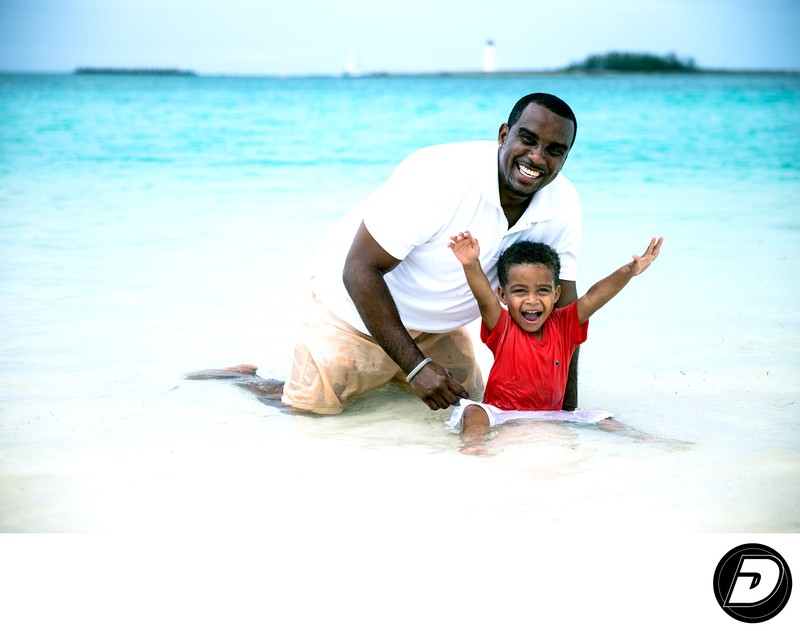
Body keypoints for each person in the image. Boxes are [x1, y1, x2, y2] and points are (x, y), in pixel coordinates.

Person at [192, 93, 583, 415]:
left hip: (438, 329)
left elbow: (566, 315)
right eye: (527, 139)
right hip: (352, 311)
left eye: (553, 150)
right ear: (503, 134)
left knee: (474, 413)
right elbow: (359, 268)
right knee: (308, 416)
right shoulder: (441, 175)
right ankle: (244, 377)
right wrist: (415, 368)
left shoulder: (563, 202)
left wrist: (567, 413)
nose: (536, 157)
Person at [446, 232, 662, 447]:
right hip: (501, 413)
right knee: (474, 411)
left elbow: (594, 296)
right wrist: (471, 263)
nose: (532, 300)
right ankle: (473, 449)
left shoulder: (565, 324)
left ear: (556, 294)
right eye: (520, 291)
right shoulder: (502, 326)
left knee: (602, 417)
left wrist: (629, 272)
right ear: (503, 295)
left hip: (550, 415)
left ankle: (644, 440)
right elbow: (484, 297)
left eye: (542, 291)